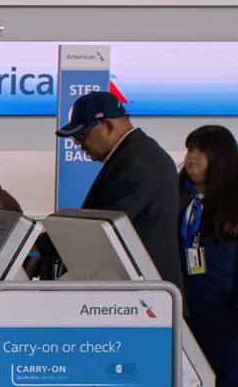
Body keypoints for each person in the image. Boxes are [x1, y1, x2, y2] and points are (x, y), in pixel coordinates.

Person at [56, 90, 182, 291]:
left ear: (108, 126)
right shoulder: (136, 154)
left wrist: (47, 242)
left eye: (82, 134)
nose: (78, 144)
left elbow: (105, 228)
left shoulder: (137, 161)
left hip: (143, 296)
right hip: (141, 292)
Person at [179, 126, 238, 387]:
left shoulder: (232, 202)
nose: (192, 157)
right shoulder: (177, 196)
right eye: (189, 148)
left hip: (224, 308)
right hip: (184, 304)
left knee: (223, 380)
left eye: (201, 150)